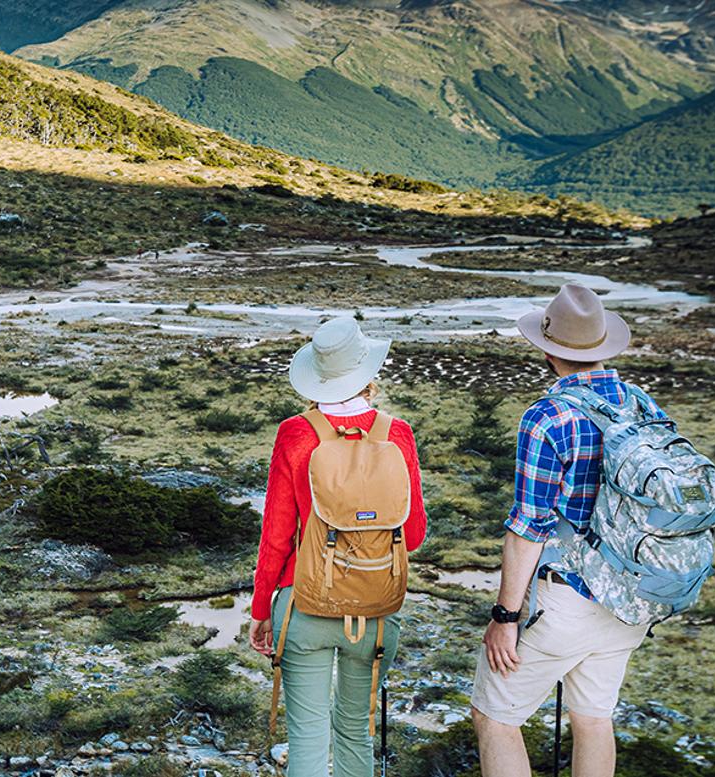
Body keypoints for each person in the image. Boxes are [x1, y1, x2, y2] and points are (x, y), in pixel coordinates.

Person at [470, 284, 671, 777]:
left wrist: (505, 616)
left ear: (547, 348)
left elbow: (528, 529)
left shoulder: (547, 417)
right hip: (630, 600)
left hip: (567, 600)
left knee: (495, 717)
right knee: (594, 720)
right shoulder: (642, 404)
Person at [248, 317, 427, 777]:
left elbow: (276, 534)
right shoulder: (396, 433)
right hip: (374, 610)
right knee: (355, 733)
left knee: (307, 739)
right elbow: (416, 534)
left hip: (303, 607)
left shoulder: (295, 433)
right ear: (368, 374)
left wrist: (261, 611)